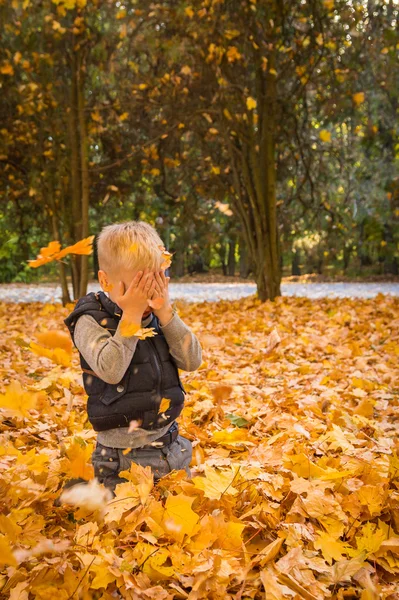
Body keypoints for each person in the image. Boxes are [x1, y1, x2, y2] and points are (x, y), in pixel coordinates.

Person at [63, 221, 202, 495]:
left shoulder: (159, 314)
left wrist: (166, 314)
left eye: (156, 282)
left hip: (171, 445)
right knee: (127, 529)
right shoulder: (89, 321)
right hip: (121, 458)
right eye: (138, 286)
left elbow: (192, 360)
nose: (147, 296)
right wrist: (131, 317)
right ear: (106, 281)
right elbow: (111, 370)